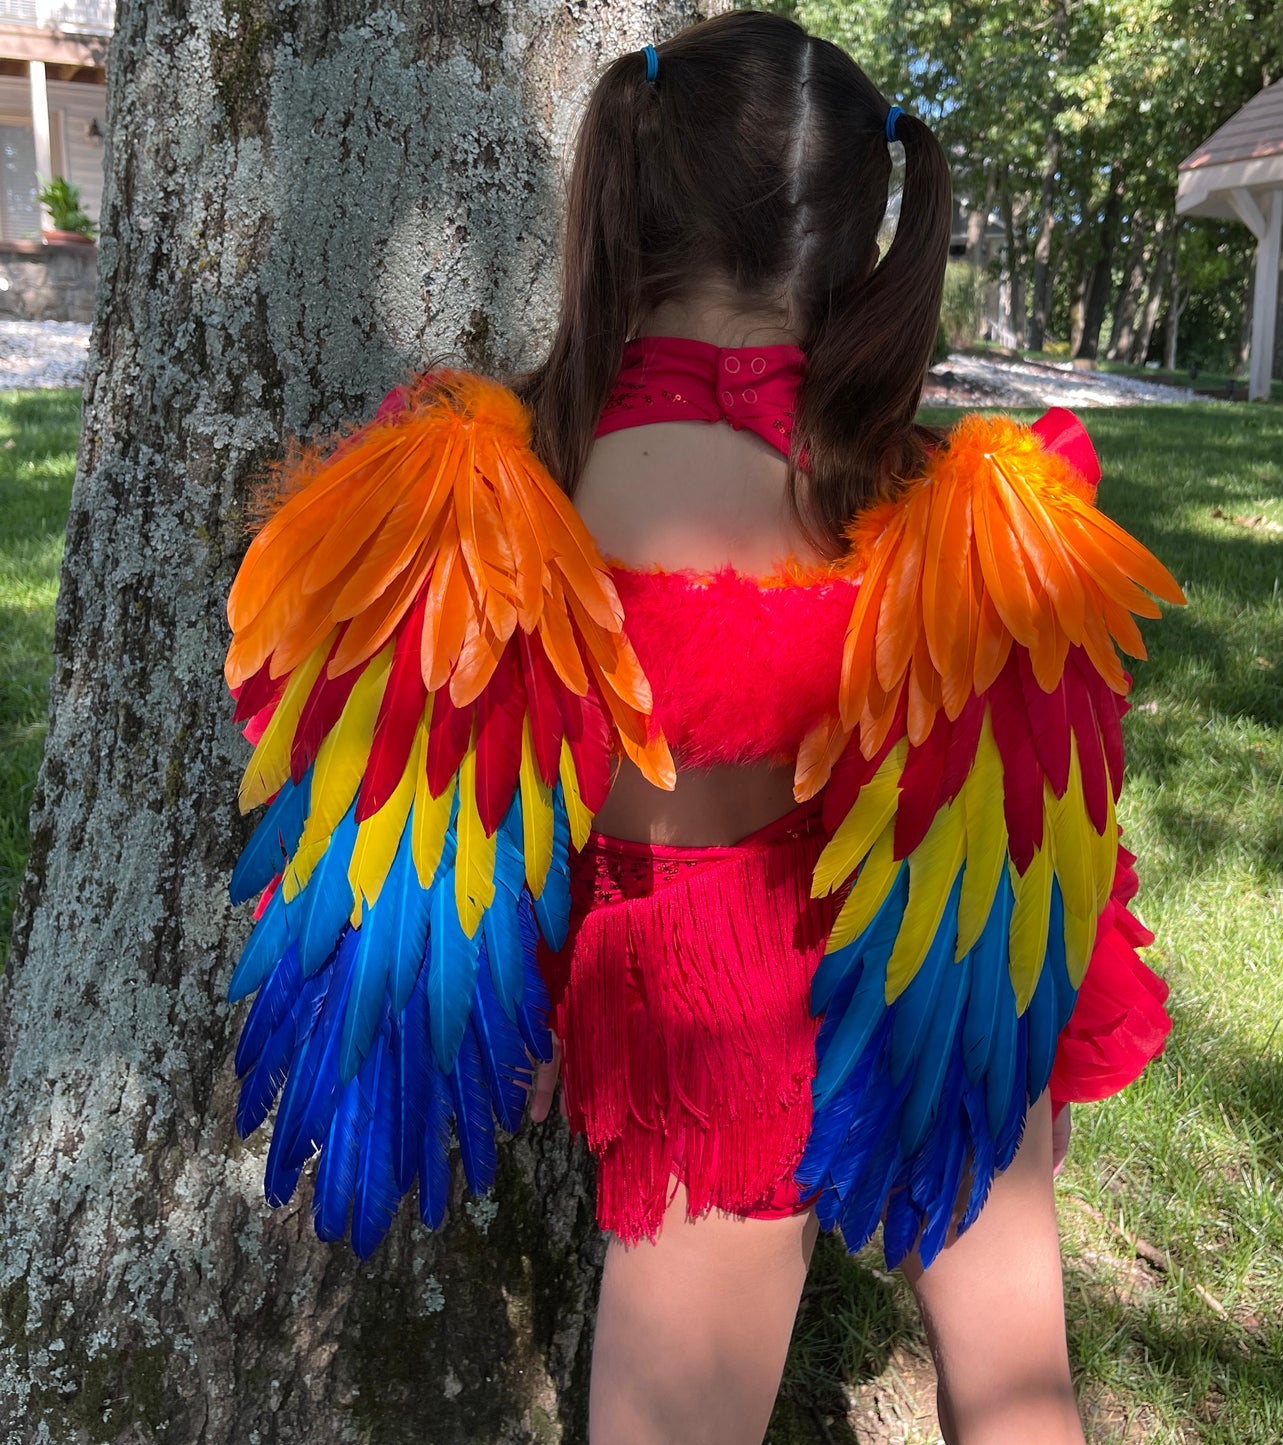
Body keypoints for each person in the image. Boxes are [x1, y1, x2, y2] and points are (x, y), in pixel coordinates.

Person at [222, 11, 1179, 1445]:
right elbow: (1038, 797)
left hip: (702, 1013)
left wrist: (507, 989)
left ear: (623, 185)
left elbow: (428, 795)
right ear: (861, 234)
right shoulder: (950, 504)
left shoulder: (499, 495)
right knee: (1016, 1390)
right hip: (952, 971)